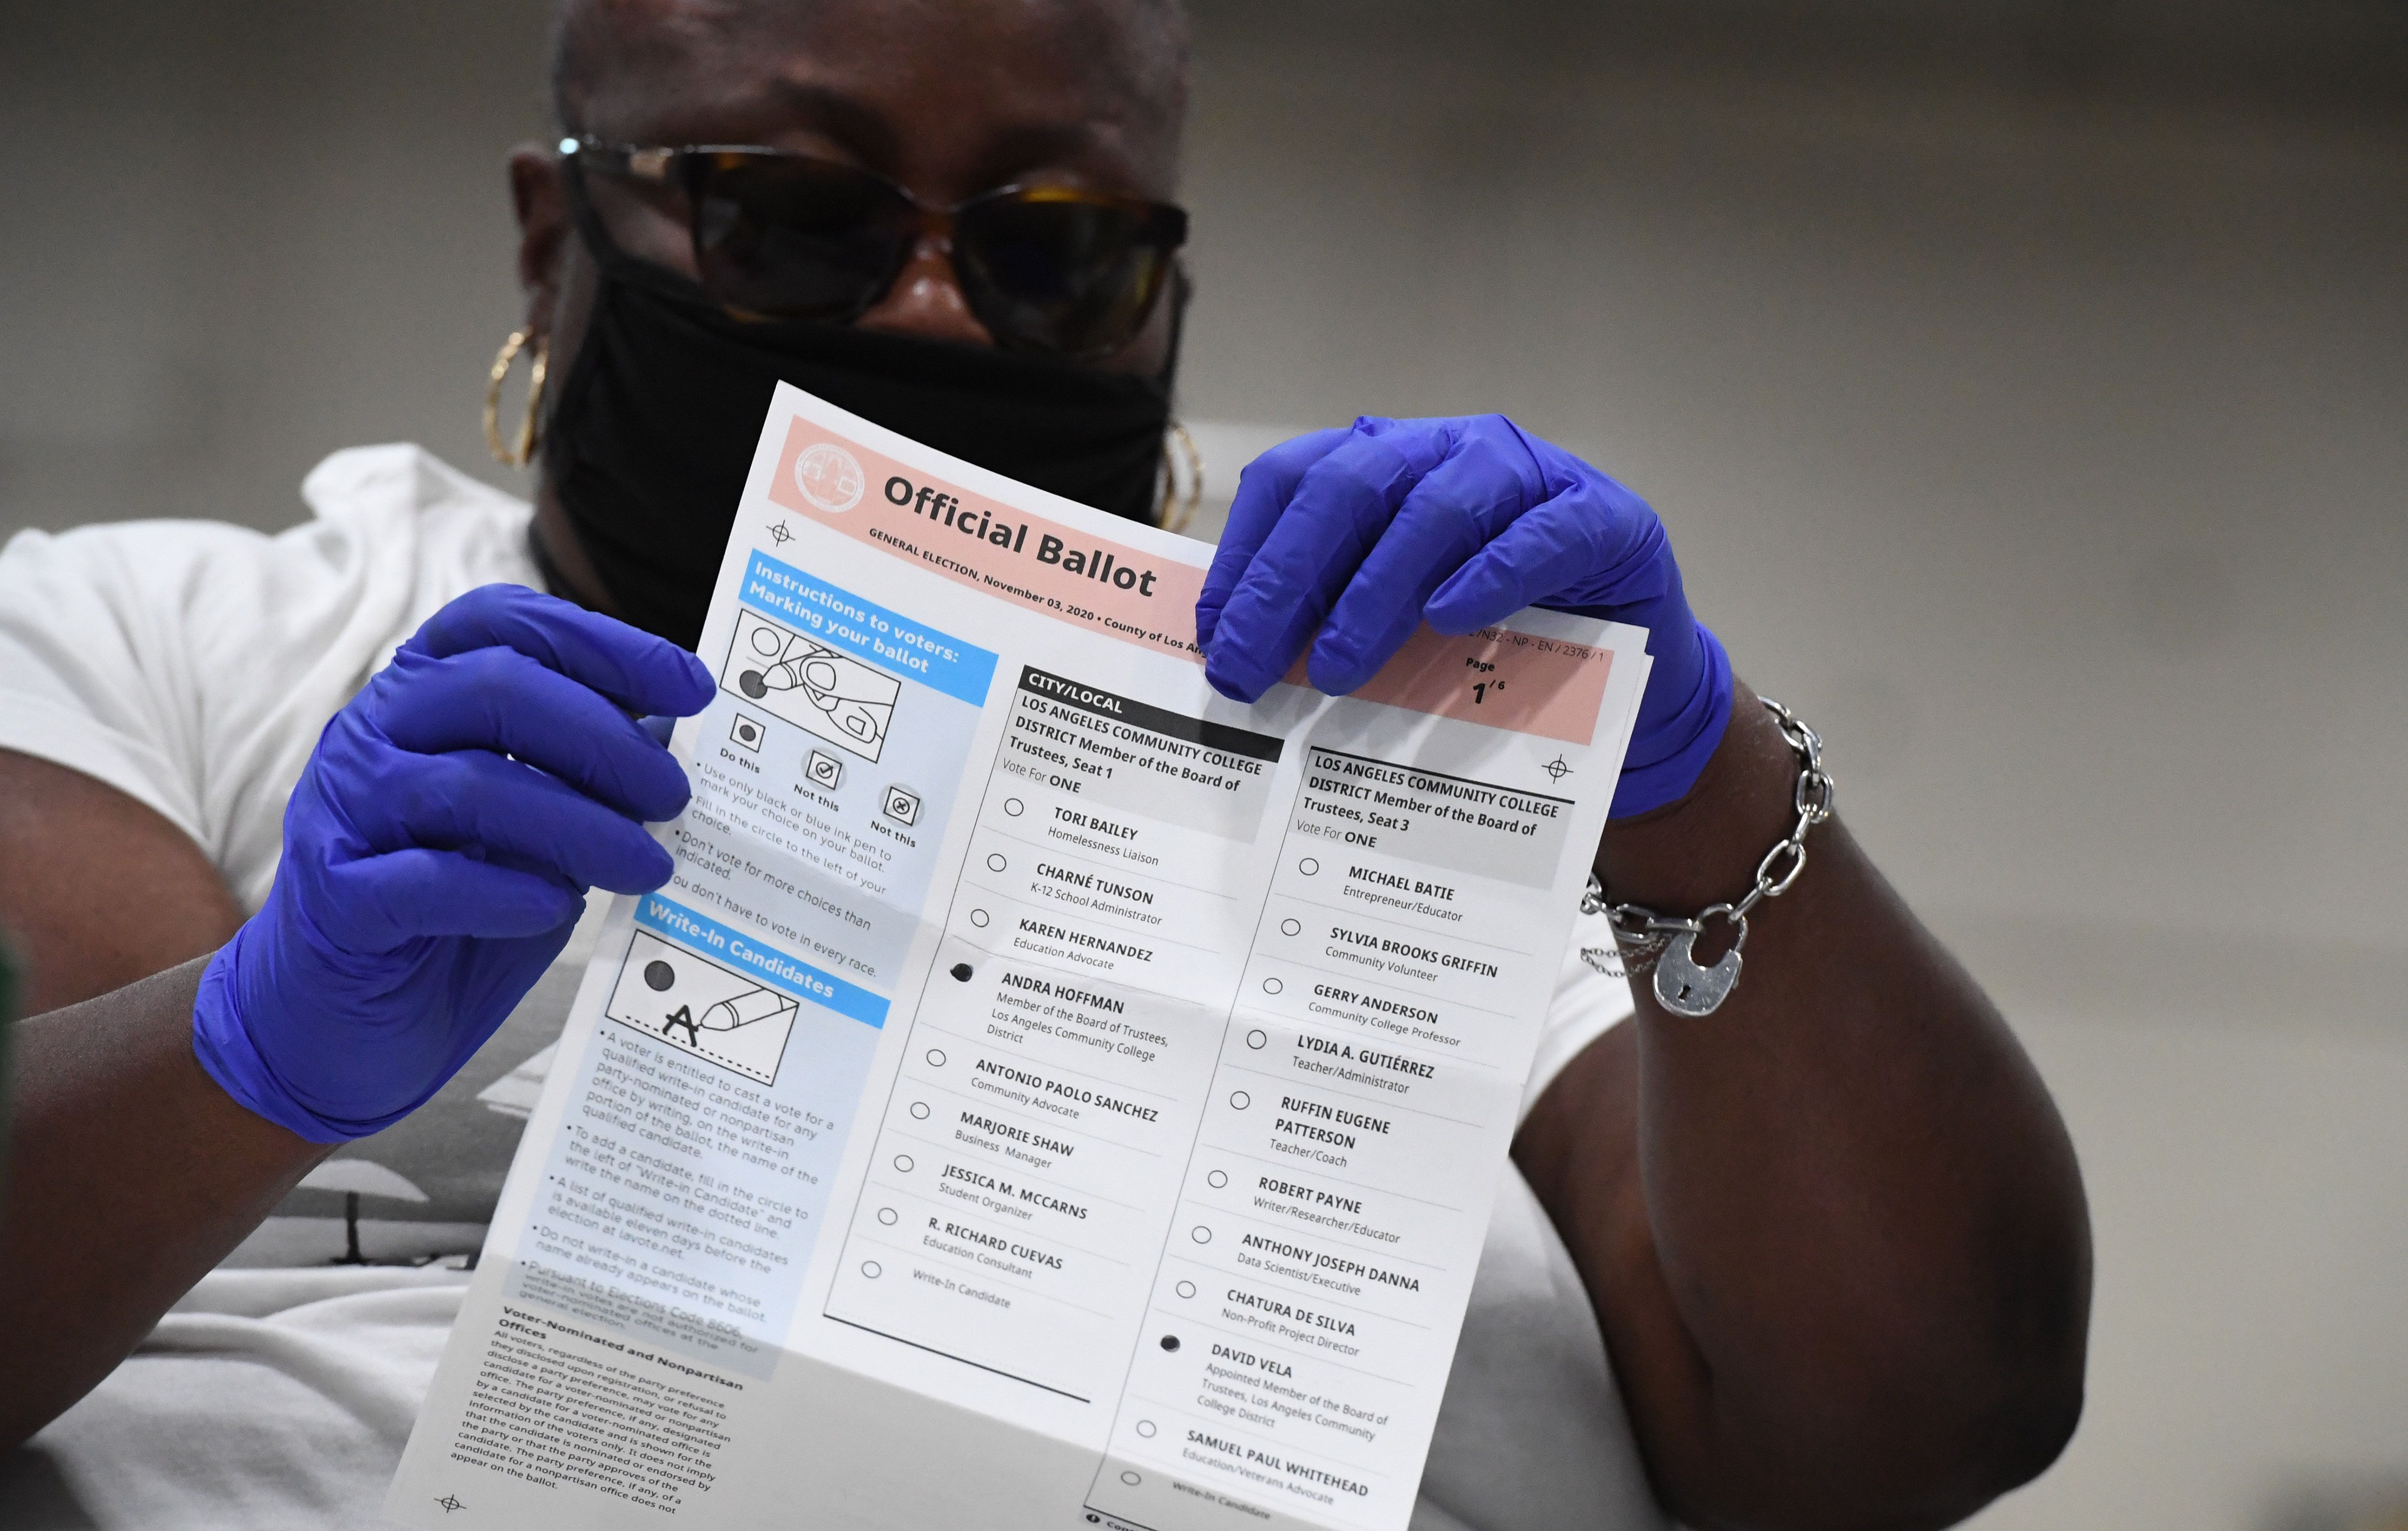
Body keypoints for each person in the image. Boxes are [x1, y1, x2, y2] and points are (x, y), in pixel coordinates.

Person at [0, 2, 2091, 1527]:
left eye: (1050, 243)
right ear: (556, 247)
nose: (925, 311)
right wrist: (242, 1051)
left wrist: (1698, 780)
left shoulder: (1380, 730)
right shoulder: (156, 646)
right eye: (792, 216)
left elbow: (1914, 1427)